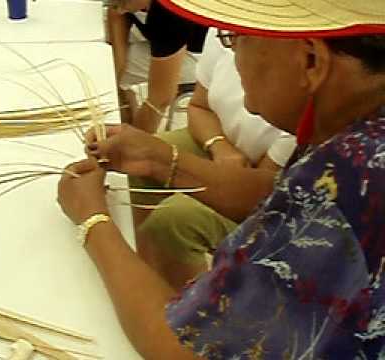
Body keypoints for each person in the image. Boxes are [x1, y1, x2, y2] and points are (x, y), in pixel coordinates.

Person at [57, 0, 385, 358]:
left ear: (310, 61)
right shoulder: (352, 122)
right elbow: (282, 197)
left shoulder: (355, 175)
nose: (230, 51)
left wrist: (93, 220)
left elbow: (186, 350)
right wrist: (158, 158)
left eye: (237, 37)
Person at [129, 27, 296, 290]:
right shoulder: (223, 31)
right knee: (144, 156)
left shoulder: (294, 77)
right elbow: (198, 106)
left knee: (173, 220)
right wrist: (220, 147)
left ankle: (186, 313)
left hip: (270, 187)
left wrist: (94, 222)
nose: (231, 43)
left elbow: (261, 188)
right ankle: (147, 272)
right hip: (221, 143)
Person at [107, 0, 207, 132]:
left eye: (122, 4)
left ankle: (127, 124)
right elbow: (116, 15)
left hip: (199, 56)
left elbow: (161, 98)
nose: (119, 9)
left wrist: (132, 142)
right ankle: (126, 111)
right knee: (109, 59)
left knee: (105, 66)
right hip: (168, 33)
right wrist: (118, 69)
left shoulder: (171, 15)